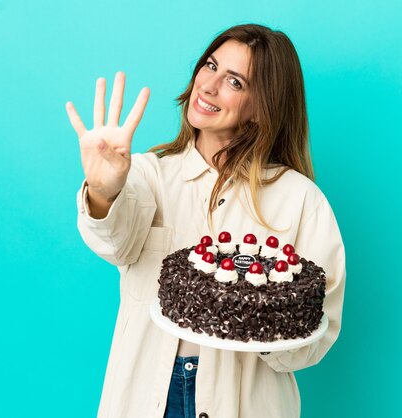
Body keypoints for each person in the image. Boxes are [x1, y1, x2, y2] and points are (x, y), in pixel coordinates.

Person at [66, 23, 345, 418]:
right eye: (210, 66)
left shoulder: (300, 201)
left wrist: (260, 317)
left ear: (263, 104)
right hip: (145, 394)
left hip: (246, 404)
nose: (209, 86)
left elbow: (318, 332)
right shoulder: (148, 175)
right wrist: (103, 190)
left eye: (234, 81)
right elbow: (113, 242)